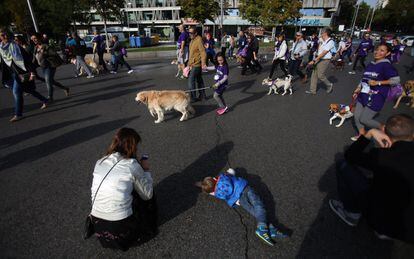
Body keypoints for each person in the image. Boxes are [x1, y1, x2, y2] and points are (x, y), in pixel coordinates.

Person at [329, 114, 414, 243]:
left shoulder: (380, 155)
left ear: (384, 131)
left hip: (383, 223)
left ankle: (352, 214)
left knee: (342, 164)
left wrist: (370, 133)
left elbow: (350, 156)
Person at [90, 128, 157, 251]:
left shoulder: (100, 161)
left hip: (99, 228)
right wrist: (146, 170)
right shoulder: (132, 165)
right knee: (146, 189)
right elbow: (148, 195)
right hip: (122, 232)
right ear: (133, 146)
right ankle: (149, 225)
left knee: (123, 188)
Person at [199, 168, 287, 247]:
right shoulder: (223, 177)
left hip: (239, 200)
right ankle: (262, 228)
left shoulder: (218, 193)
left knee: (254, 210)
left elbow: (222, 195)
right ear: (214, 179)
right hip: (245, 188)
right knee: (259, 205)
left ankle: (269, 228)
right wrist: (230, 172)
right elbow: (231, 172)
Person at [350, 43, 400, 141]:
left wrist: (378, 82)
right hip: (363, 94)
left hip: (376, 97)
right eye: (377, 49)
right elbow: (364, 78)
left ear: (387, 53)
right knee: (356, 116)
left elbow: (396, 80)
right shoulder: (371, 64)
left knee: (364, 119)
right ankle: (361, 135)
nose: (377, 52)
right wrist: (358, 88)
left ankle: (382, 127)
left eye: (382, 50)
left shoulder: (386, 65)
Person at [0, 28, 48, 122]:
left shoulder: (16, 46)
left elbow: (27, 60)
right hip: (11, 74)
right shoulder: (1, 48)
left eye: (5, 34)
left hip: (21, 73)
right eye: (2, 35)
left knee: (17, 93)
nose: (4, 36)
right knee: (28, 89)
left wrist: (32, 73)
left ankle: (18, 114)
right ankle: (45, 100)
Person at [32, 33, 69, 102]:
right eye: (33, 39)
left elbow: (54, 54)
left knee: (48, 81)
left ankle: (50, 97)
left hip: (50, 66)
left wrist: (44, 53)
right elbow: (35, 58)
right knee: (51, 81)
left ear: (39, 38)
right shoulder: (36, 47)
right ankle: (65, 88)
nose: (34, 40)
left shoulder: (46, 46)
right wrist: (31, 66)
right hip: (43, 67)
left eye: (35, 38)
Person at [306, 28, 334, 95]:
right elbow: (319, 49)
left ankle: (329, 84)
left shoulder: (330, 41)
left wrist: (314, 60)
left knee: (320, 75)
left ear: (325, 33)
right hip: (319, 58)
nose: (320, 33)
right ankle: (313, 90)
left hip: (325, 60)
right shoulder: (322, 40)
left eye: (321, 32)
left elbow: (324, 53)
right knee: (314, 74)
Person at [187, 26, 207, 102]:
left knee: (191, 80)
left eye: (191, 33)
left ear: (196, 33)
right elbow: (192, 53)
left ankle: (193, 97)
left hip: (196, 64)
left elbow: (203, 52)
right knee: (199, 80)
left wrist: (203, 63)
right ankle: (203, 96)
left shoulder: (198, 40)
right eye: (189, 33)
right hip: (193, 63)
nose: (190, 34)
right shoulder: (192, 40)